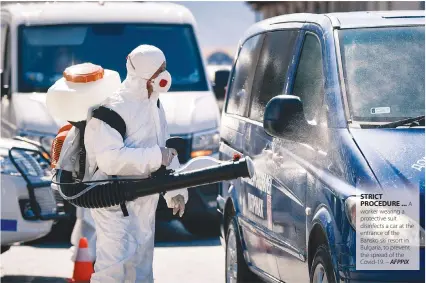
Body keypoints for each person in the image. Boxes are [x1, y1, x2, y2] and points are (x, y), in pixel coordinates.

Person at [84, 45, 188, 282]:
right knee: (112, 271)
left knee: (141, 271)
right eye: (158, 70)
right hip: (112, 201)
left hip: (144, 201)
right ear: (144, 74)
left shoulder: (155, 105)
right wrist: (156, 156)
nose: (164, 75)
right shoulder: (111, 109)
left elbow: (166, 151)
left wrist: (176, 192)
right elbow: (110, 160)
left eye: (164, 68)